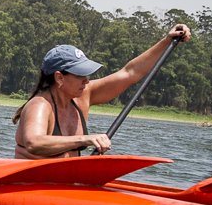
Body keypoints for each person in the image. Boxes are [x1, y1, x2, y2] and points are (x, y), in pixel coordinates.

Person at [12, 24, 192, 158]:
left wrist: (167, 41)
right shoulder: (40, 105)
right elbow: (33, 142)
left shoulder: (83, 95)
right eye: (81, 75)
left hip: (64, 187)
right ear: (59, 78)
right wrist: (86, 139)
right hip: (28, 189)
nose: (87, 81)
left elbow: (130, 73)